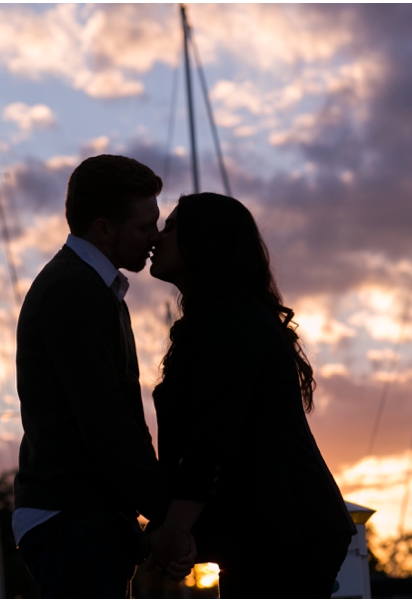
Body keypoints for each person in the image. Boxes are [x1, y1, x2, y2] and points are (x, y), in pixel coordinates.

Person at [146, 192, 356, 598]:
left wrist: (174, 530)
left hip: (288, 533)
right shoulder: (220, 321)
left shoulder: (233, 323)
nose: (157, 238)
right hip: (269, 532)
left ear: (202, 241)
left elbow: (213, 439)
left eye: (170, 228)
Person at [13, 154, 180, 598]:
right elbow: (105, 419)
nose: (155, 237)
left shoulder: (92, 289)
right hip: (71, 514)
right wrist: (169, 514)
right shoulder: (75, 291)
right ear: (104, 229)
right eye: (145, 227)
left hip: (79, 514)